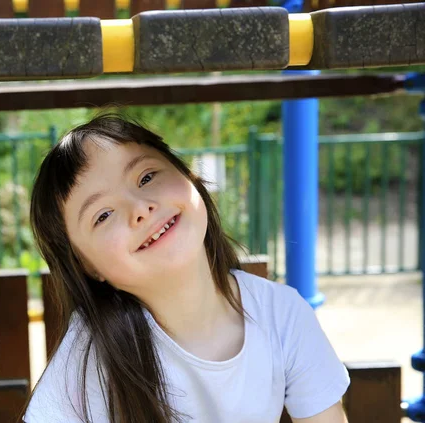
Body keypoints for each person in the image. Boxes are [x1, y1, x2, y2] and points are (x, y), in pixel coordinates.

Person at [22, 113, 350, 423]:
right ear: (88, 268)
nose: (140, 208)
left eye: (147, 177)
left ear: (189, 179)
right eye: (103, 215)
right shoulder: (91, 353)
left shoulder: (282, 315)